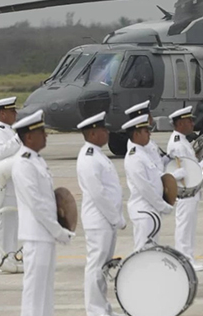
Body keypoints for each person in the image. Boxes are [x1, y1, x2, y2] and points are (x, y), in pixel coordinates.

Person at [12, 110, 75, 316]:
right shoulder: (23, 163)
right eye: (41, 132)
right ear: (29, 137)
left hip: (44, 235)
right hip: (36, 235)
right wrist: (58, 231)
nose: (46, 135)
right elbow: (37, 204)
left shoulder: (36, 160)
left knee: (46, 289)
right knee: (35, 291)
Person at [76, 112, 126, 316]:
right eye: (103, 130)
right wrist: (116, 218)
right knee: (96, 267)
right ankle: (95, 311)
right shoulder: (88, 158)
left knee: (102, 268)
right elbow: (98, 193)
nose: (107, 133)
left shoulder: (97, 154)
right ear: (92, 133)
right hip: (99, 220)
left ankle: (103, 308)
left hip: (106, 220)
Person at [167, 106, 203, 272]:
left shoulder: (183, 141)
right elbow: (185, 170)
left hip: (190, 190)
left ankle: (188, 257)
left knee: (189, 227)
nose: (193, 123)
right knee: (185, 227)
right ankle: (184, 259)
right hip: (185, 191)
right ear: (179, 124)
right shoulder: (178, 144)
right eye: (189, 121)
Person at [122, 114, 174, 251]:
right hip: (144, 211)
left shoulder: (143, 153)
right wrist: (162, 205)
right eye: (146, 131)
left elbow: (155, 177)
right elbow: (144, 187)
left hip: (150, 210)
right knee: (143, 252)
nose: (149, 134)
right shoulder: (134, 157)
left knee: (150, 252)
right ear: (136, 134)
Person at [0, 96, 22, 272]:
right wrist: (17, 139)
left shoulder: (9, 130)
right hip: (4, 186)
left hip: (13, 184)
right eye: (12, 111)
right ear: (2, 114)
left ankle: (10, 257)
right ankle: (2, 260)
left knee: (13, 224)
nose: (15, 113)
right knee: (5, 224)